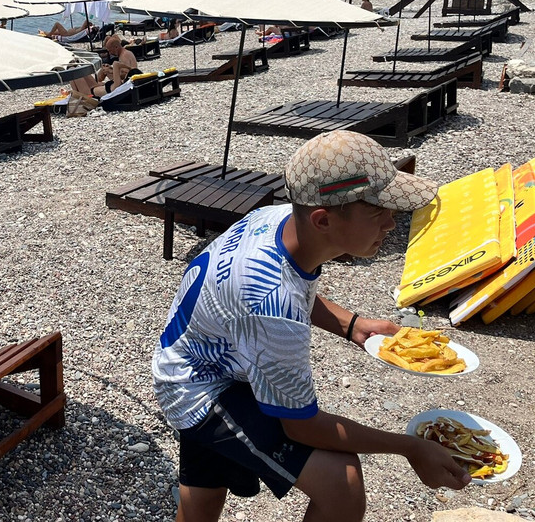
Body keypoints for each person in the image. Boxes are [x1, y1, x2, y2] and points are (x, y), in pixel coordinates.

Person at [152, 130, 470, 522]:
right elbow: (302, 427)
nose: (391, 224)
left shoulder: (275, 221)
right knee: (343, 481)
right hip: (203, 388)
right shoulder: (273, 311)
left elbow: (292, 287)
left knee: (205, 492)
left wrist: (349, 324)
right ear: (323, 219)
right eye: (378, 212)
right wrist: (409, 447)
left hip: (197, 353)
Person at [68, 34, 141, 98]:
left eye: (110, 50)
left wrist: (111, 70)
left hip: (90, 93)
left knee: (73, 72)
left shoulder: (124, 56)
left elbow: (125, 73)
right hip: (100, 88)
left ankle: (75, 95)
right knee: (80, 71)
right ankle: (75, 93)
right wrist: (111, 69)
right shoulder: (126, 53)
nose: (110, 53)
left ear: (116, 47)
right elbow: (128, 71)